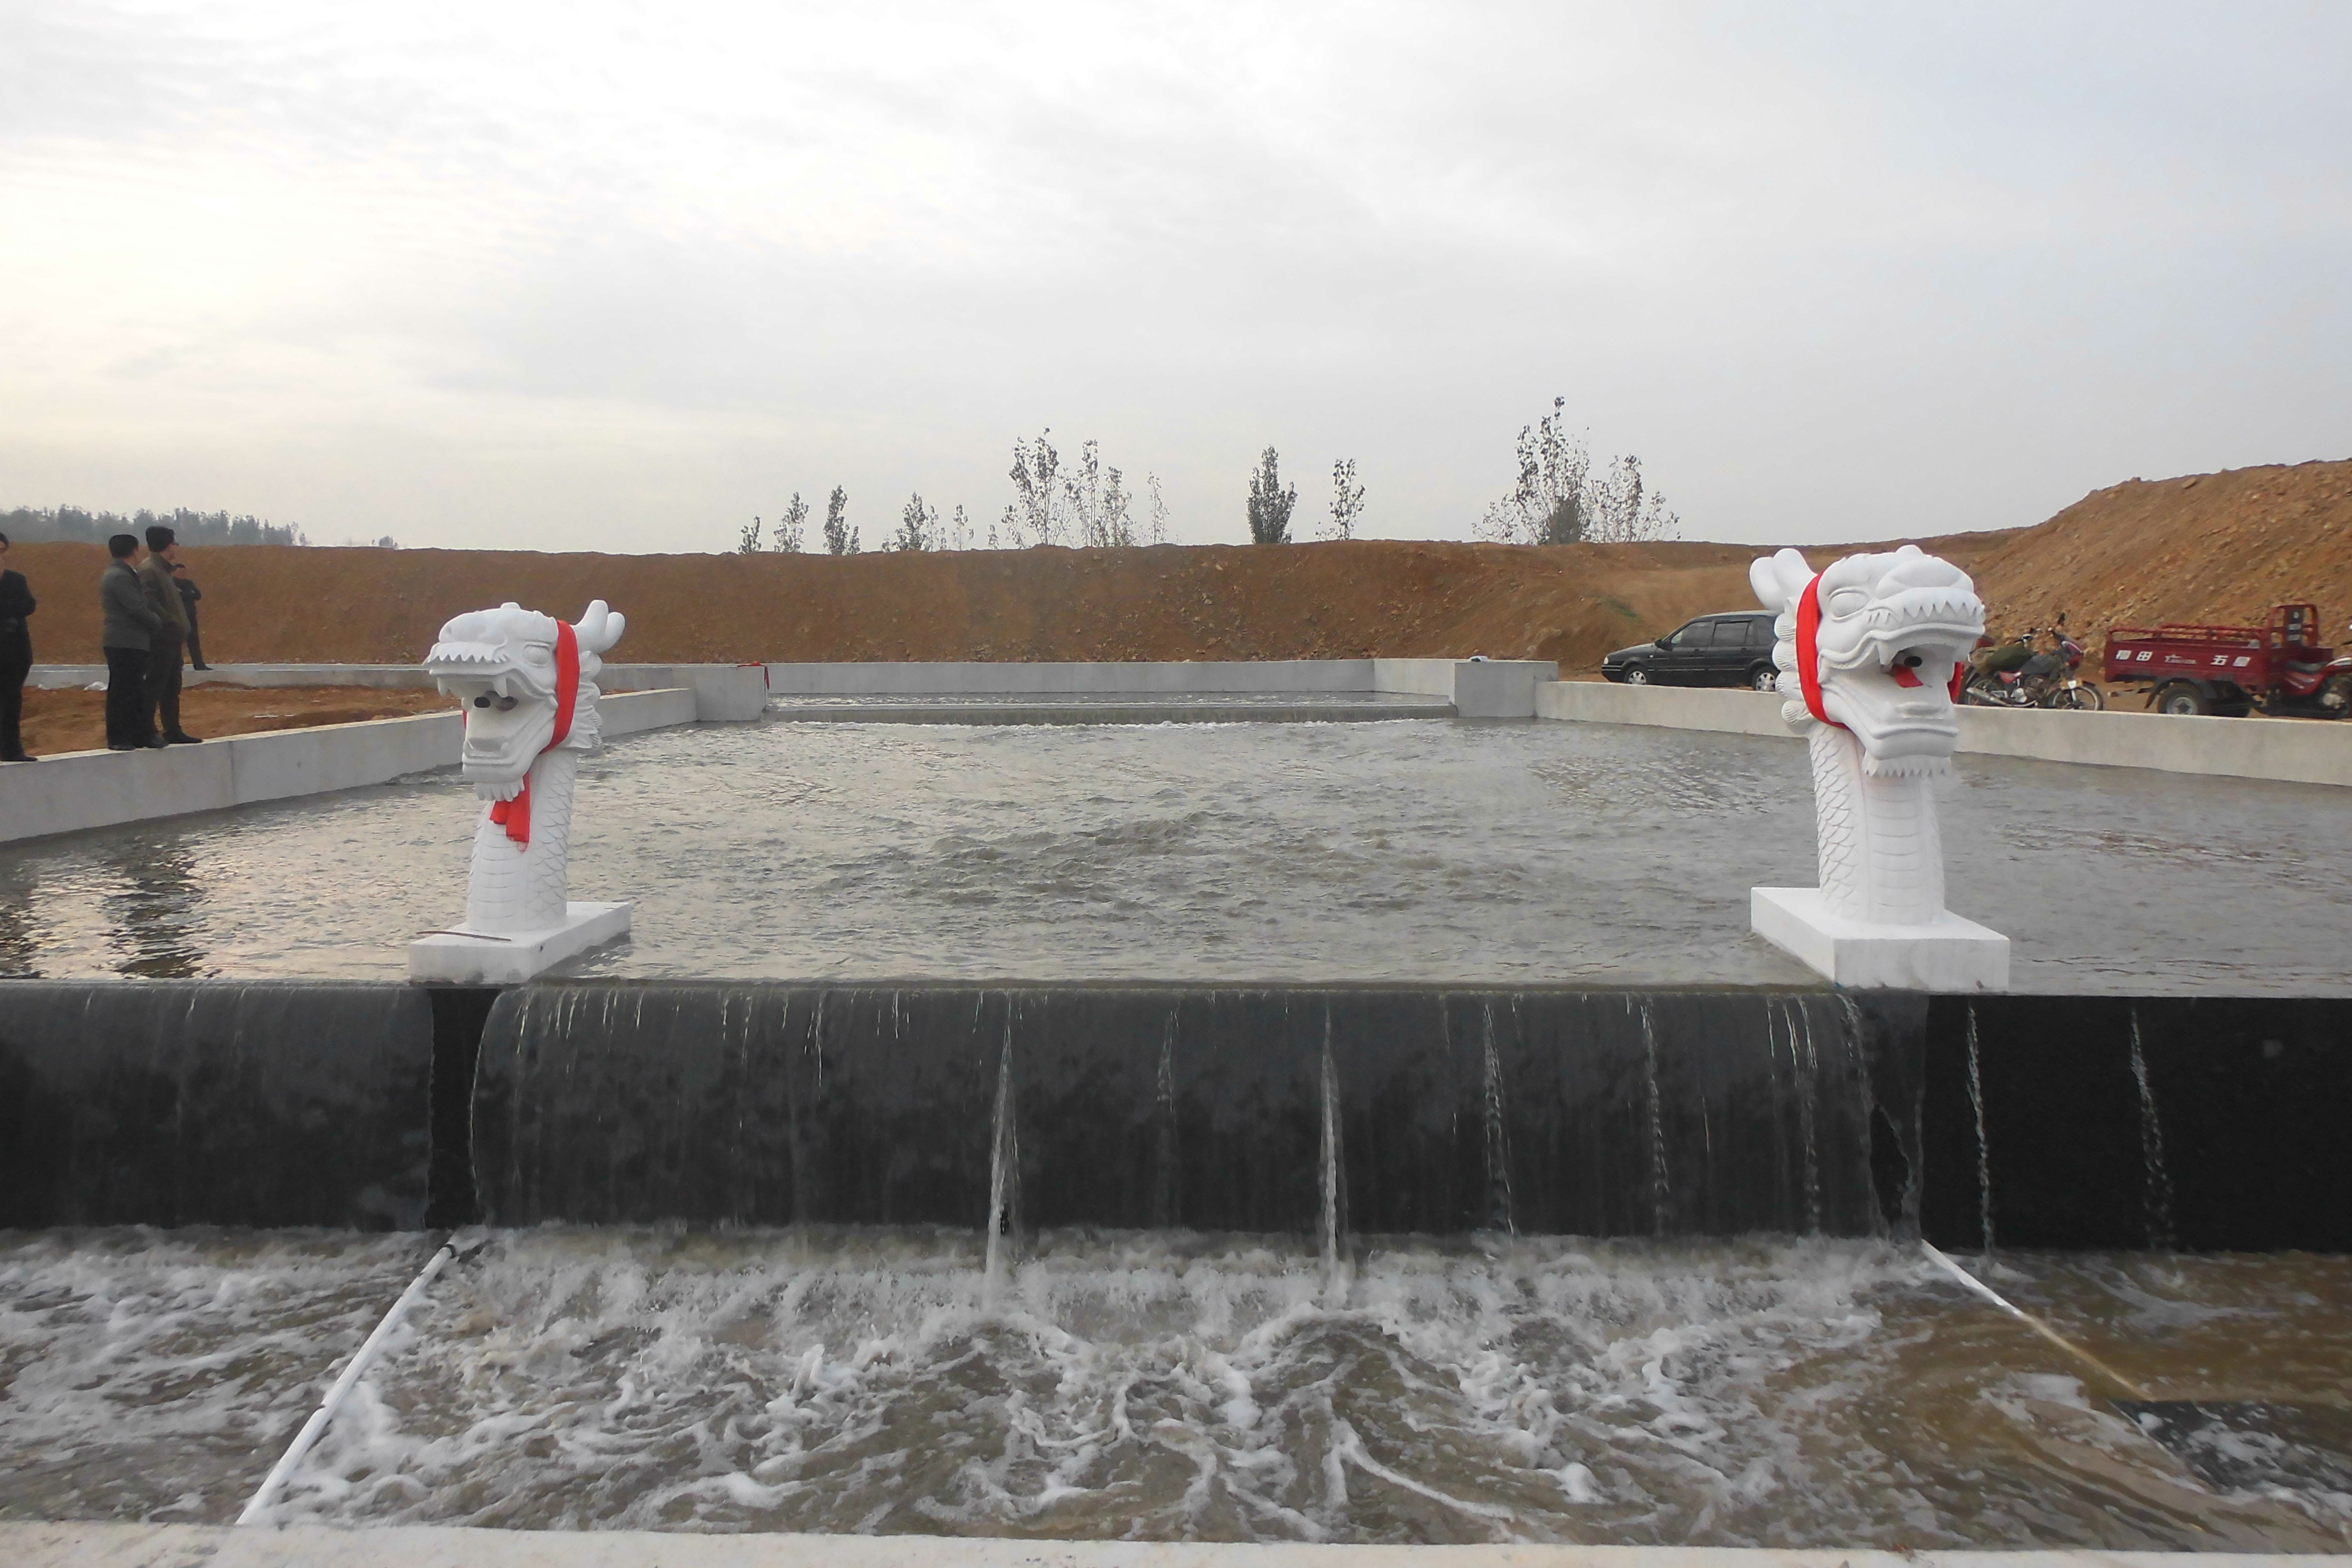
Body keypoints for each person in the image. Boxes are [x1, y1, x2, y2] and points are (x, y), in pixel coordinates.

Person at [137, 524, 200, 745]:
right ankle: (146, 731)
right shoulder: (150, 569)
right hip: (162, 637)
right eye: (175, 542)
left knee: (172, 687)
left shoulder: (163, 570)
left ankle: (173, 730)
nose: (177, 546)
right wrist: (169, 622)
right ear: (168, 545)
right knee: (155, 686)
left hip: (172, 638)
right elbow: (148, 602)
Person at [101, 533, 162, 749]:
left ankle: (137, 735)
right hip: (125, 641)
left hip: (130, 641)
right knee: (122, 691)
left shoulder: (121, 573)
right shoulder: (120, 576)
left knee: (134, 690)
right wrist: (158, 622)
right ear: (135, 550)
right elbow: (137, 608)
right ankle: (119, 738)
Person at [0, 530, 34, 762]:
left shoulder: (16, 579)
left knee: (11, 703)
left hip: (15, 652)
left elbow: (29, 605)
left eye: (2, 551)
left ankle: (12, 750)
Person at [174, 560, 210, 670]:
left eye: (184, 572)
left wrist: (186, 594)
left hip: (191, 615)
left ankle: (199, 664)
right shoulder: (171, 583)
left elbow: (198, 595)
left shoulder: (189, 583)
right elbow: (176, 597)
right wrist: (189, 594)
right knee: (177, 641)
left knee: (194, 640)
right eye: (180, 572)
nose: (183, 574)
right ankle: (178, 665)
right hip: (178, 616)